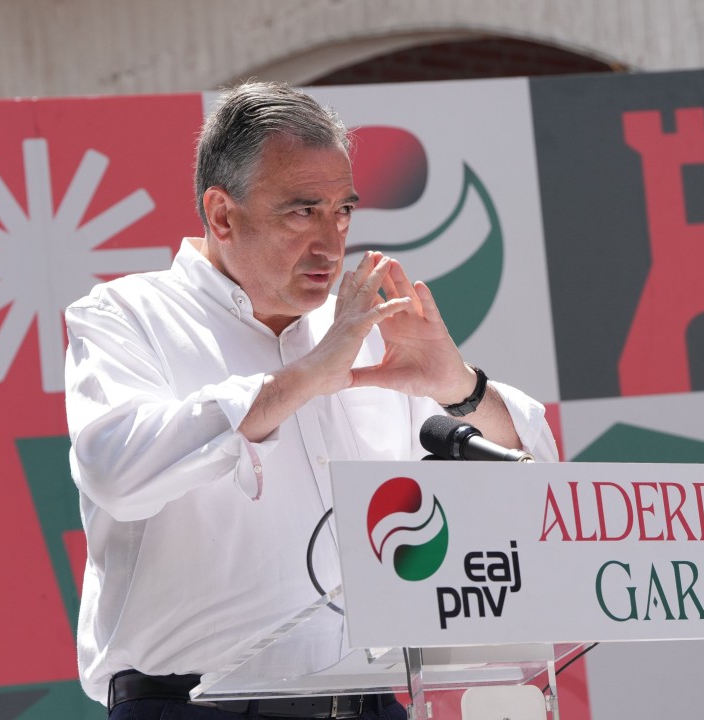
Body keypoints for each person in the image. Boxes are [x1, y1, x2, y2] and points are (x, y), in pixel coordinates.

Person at [64, 81, 558, 719]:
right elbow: (115, 470)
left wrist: (459, 387)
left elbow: (535, 475)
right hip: (194, 706)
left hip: (374, 700)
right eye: (303, 212)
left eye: (342, 211)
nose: (330, 242)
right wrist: (305, 377)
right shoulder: (126, 315)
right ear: (222, 215)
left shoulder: (362, 327)